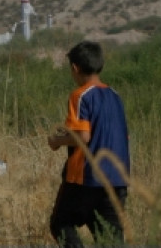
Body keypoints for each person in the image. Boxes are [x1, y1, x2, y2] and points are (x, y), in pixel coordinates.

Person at [47, 41, 130, 248]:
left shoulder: (80, 95)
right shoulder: (115, 96)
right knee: (111, 240)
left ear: (75, 68)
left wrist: (57, 141)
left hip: (87, 178)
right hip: (117, 180)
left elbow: (83, 137)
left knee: (61, 223)